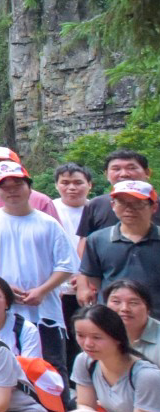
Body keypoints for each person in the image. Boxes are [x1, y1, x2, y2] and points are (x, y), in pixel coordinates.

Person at [0, 159, 77, 374]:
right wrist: (3, 288)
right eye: (5, 187)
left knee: (51, 370)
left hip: (44, 311)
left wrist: (42, 290)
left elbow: (67, 264)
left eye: (18, 185)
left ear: (29, 188)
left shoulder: (48, 223)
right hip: (1, 312)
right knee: (0, 367)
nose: (12, 191)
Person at [79, 179, 160, 308]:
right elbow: (94, 277)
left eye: (138, 203)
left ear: (154, 207)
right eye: (122, 202)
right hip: (111, 315)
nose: (129, 209)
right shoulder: (97, 239)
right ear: (113, 205)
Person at [73, 149, 150, 248]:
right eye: (116, 169)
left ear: (147, 172)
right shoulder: (95, 204)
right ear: (106, 174)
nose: (124, 174)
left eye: (131, 168)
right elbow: (84, 242)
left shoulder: (156, 203)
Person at [102, 279, 160, 363]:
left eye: (133, 303)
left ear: (148, 309)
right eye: (116, 301)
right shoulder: (97, 333)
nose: (124, 308)